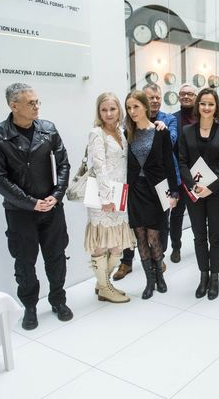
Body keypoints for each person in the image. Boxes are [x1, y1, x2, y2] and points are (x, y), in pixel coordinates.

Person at [0, 83, 73, 330]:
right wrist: (30, 203)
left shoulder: (48, 129)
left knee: (56, 257)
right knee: (24, 262)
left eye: (37, 101)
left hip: (51, 208)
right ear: (14, 105)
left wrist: (56, 196)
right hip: (20, 212)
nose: (37, 106)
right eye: (31, 103)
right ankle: (29, 306)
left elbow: (63, 164)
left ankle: (58, 300)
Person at [113, 83, 177, 280]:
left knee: (154, 235)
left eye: (136, 106)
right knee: (140, 235)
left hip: (157, 190)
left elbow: (169, 164)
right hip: (135, 191)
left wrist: (174, 192)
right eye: (129, 108)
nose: (132, 111)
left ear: (145, 107)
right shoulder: (126, 133)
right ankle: (149, 280)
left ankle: (159, 275)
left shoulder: (161, 131)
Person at [178, 88, 219, 300]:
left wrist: (211, 186)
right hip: (194, 193)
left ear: (216, 107)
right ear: (197, 106)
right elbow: (182, 162)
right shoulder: (186, 131)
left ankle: (215, 277)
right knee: (199, 236)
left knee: (216, 236)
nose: (207, 107)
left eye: (211, 104)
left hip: (216, 192)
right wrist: (193, 186)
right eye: (203, 103)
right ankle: (203, 275)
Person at [85, 93, 135, 303]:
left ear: (119, 110)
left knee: (117, 245)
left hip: (120, 194)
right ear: (99, 112)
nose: (108, 113)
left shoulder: (121, 132)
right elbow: (99, 167)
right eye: (104, 109)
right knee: (102, 244)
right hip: (103, 198)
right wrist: (106, 199)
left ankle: (102, 283)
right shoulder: (97, 133)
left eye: (112, 109)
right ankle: (105, 287)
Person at [167, 83, 199, 264]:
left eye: (190, 94)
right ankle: (176, 248)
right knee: (177, 215)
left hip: (198, 176)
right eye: (183, 94)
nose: (186, 96)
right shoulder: (172, 119)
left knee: (198, 215)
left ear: (196, 97)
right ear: (179, 97)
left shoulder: (202, 117)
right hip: (179, 176)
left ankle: (200, 244)